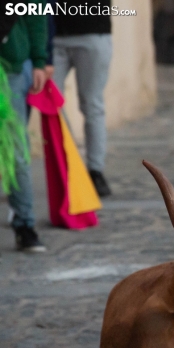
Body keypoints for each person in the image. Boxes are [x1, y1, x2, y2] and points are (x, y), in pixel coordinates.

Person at [0, 0, 48, 252]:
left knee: (16, 151)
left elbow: (35, 11)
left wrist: (39, 60)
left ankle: (24, 224)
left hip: (10, 72)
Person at [52, 0, 113, 197]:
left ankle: (95, 171)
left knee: (92, 105)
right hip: (53, 35)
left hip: (92, 32)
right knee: (52, 107)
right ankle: (69, 165)